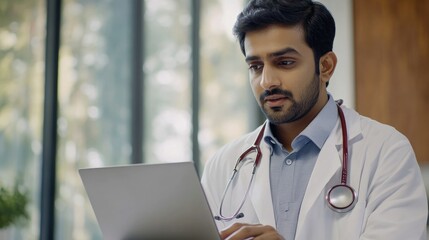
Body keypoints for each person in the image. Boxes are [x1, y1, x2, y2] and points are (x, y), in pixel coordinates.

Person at [200, 0, 428, 239]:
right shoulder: (224, 165)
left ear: (326, 66)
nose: (267, 81)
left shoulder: (387, 152)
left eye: (285, 63)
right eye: (256, 66)